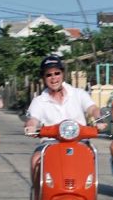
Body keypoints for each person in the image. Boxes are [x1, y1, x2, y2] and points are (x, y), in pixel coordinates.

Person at [24, 55, 102, 192]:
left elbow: (92, 108)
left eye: (57, 73)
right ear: (43, 78)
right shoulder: (39, 100)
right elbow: (33, 118)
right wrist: (30, 126)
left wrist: (98, 118)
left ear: (63, 74)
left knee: (91, 160)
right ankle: (39, 197)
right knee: (36, 160)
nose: (53, 78)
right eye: (49, 75)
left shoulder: (78, 94)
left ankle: (88, 197)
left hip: (80, 143)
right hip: (50, 144)